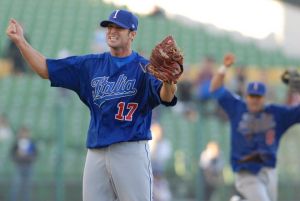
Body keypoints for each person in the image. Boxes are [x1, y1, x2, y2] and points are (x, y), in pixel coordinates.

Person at [6, 9, 178, 201]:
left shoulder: (144, 68)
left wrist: (169, 81)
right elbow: (46, 69)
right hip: (96, 151)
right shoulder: (90, 65)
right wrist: (21, 42)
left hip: (130, 149)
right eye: (109, 27)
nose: (112, 31)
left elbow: (166, 97)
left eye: (119, 28)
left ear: (132, 34)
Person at [209, 53, 300, 201]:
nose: (254, 100)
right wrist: (223, 68)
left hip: (269, 170)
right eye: (252, 96)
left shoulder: (276, 113)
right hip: (246, 171)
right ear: (246, 96)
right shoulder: (237, 107)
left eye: (258, 96)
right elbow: (215, 89)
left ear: (264, 97)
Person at [10, 126, 37, 201]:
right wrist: (18, 155)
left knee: (27, 187)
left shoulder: (32, 143)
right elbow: (12, 155)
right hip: (19, 166)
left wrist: (28, 155)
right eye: (22, 132)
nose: (24, 134)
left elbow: (35, 155)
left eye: (26, 133)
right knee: (16, 186)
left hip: (29, 166)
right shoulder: (16, 143)